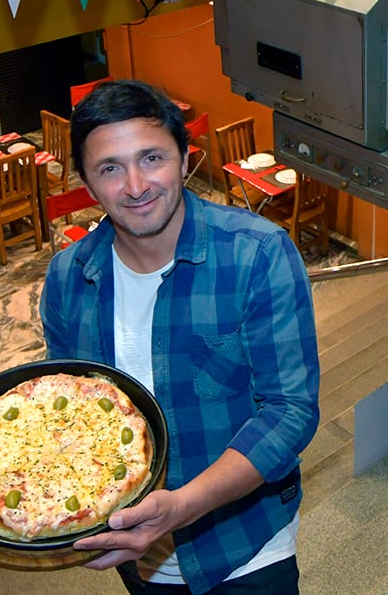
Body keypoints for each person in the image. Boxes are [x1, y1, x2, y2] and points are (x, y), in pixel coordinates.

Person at [40, 79, 320, 595]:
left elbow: (290, 412)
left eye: (151, 158)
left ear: (185, 157)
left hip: (246, 549)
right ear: (84, 180)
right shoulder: (66, 280)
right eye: (109, 168)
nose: (136, 185)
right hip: (138, 561)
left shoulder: (257, 255)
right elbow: (67, 417)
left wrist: (180, 507)